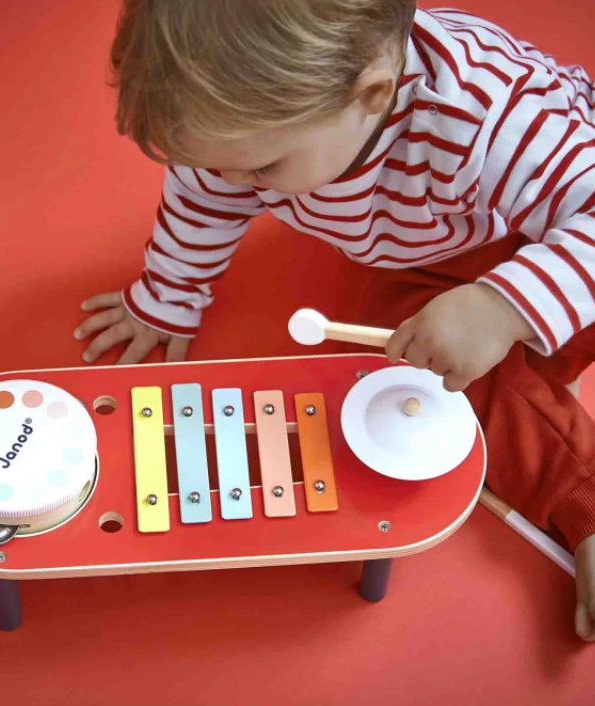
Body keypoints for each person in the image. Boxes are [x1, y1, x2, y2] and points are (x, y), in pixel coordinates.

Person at [72, 0, 595, 641]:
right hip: (427, 254)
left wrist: (507, 303)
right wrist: (168, 293)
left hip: (547, 223)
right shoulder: (244, 130)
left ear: (371, 95)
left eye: (262, 170)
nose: (233, 183)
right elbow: (203, 198)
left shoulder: (486, 119)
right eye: (213, 163)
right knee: (410, 364)